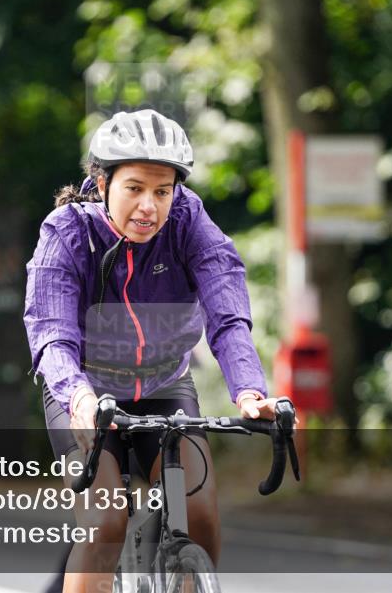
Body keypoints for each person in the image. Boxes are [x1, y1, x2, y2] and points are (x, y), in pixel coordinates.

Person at [24, 110, 283, 593]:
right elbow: (52, 334)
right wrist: (78, 399)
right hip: (83, 391)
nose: (149, 206)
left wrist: (249, 392)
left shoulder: (188, 221)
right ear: (103, 183)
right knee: (105, 524)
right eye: (135, 188)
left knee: (200, 517)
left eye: (162, 191)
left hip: (164, 383)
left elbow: (227, 314)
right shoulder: (68, 232)